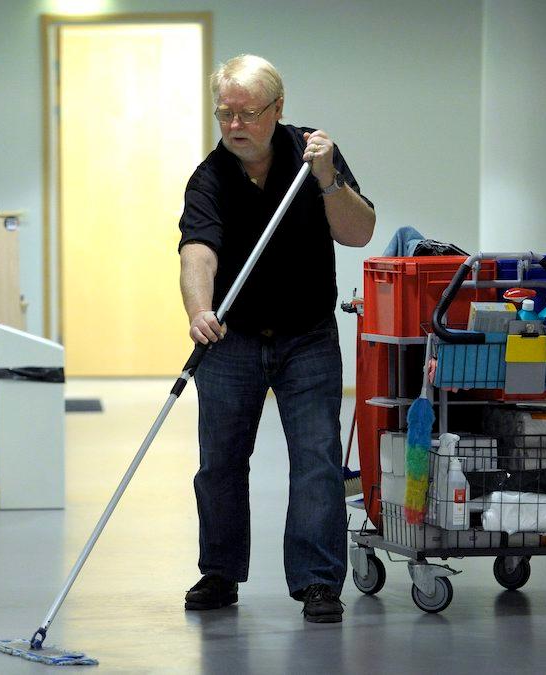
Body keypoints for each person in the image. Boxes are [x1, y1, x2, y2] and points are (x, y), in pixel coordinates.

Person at [177, 55, 375, 624]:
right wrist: (199, 309)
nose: (234, 124)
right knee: (219, 462)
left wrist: (327, 178)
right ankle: (219, 572)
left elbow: (357, 232)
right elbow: (198, 250)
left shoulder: (314, 156)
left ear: (277, 109)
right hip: (231, 338)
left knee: (315, 459)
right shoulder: (209, 177)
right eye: (224, 113)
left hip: (306, 336)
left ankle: (317, 582)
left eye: (246, 112)